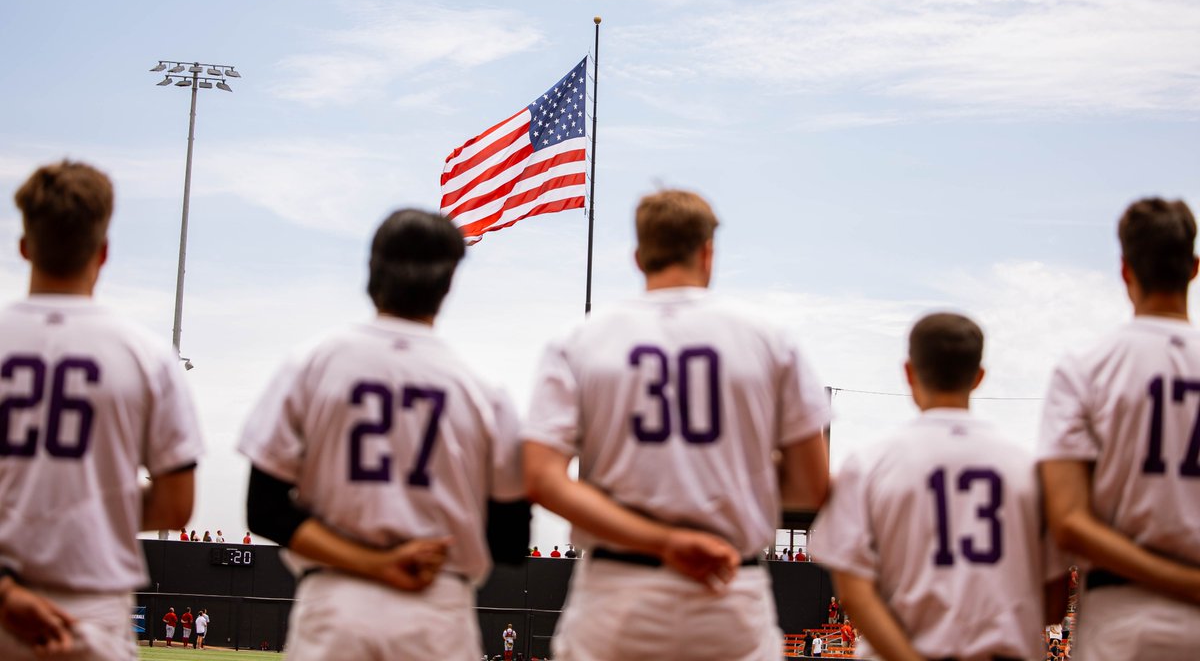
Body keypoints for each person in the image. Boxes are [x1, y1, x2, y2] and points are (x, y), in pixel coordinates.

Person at [523, 189, 831, 661]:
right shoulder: (770, 340)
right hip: (728, 588)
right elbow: (812, 487)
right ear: (708, 253)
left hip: (617, 594)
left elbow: (540, 477)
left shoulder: (581, 340)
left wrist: (663, 539)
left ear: (638, 256)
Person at [238, 208, 528, 660]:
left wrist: (374, 560)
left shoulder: (312, 363)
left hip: (336, 603)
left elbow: (264, 509)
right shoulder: (483, 388)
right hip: (437, 605)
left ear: (372, 272)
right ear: (448, 284)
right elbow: (510, 540)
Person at [0, 161, 202, 660]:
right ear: (103, 252)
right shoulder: (148, 355)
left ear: (25, 247)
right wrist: (90, 501)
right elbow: (176, 506)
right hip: (92, 614)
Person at [810, 313, 1062, 661]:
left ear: (909, 372)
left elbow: (853, 593)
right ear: (979, 376)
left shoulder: (870, 462)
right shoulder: (1028, 467)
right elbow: (1055, 599)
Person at [1039, 197, 1200, 658]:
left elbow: (1067, 523)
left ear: (1125, 268)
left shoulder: (1083, 370)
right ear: (1193, 267)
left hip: (1121, 618)